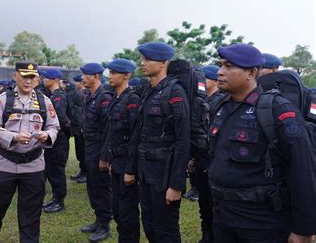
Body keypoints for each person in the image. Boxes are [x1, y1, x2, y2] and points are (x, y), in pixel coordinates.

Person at [209, 43, 316, 242]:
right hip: (223, 214)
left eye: (229, 66)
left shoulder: (277, 109)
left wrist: (304, 229)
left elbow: (303, 170)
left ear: (251, 72)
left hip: (261, 221)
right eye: (220, 65)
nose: (220, 72)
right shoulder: (220, 107)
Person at [0, 61, 59, 243]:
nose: (28, 81)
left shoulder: (44, 101)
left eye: (32, 77)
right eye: (24, 76)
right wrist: (14, 137)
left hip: (33, 166)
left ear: (37, 79)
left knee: (31, 213)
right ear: (15, 76)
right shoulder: (3, 100)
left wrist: (46, 135)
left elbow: (54, 126)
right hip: (4, 164)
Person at [127, 42, 190, 242]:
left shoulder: (175, 93)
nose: (142, 63)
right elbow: (139, 133)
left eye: (147, 59)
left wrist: (176, 185)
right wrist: (132, 168)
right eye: (142, 58)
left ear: (163, 63)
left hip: (164, 173)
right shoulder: (149, 90)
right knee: (150, 224)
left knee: (166, 229)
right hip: (146, 172)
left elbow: (183, 140)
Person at [103, 59, 141, 243]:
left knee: (127, 212)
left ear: (126, 75)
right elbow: (112, 134)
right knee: (117, 209)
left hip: (127, 164)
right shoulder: (116, 98)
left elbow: (135, 136)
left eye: (113, 72)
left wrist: (130, 169)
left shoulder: (132, 99)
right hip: (116, 162)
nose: (109, 76)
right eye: (109, 72)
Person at [188, 64, 224, 243]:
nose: (201, 82)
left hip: (216, 162)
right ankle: (206, 235)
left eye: (205, 79)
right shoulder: (199, 101)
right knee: (204, 202)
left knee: (216, 204)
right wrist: (193, 156)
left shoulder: (223, 101)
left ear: (215, 81)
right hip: (201, 160)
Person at [80, 63, 113, 242]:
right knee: (92, 186)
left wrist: (104, 157)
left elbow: (109, 129)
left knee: (101, 187)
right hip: (90, 146)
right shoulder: (89, 95)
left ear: (96, 76)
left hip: (100, 147)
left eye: (86, 75)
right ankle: (99, 219)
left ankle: (105, 225)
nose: (83, 78)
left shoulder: (104, 96)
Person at [42, 68, 71, 213]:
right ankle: (55, 198)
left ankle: (59, 201)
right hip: (54, 139)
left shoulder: (59, 96)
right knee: (51, 170)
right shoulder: (53, 95)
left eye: (46, 77)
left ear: (54, 80)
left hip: (58, 140)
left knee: (57, 171)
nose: (44, 79)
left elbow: (59, 119)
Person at [70, 74, 87, 183]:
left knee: (84, 151)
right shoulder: (78, 93)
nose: (75, 84)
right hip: (78, 126)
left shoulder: (86, 94)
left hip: (84, 127)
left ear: (80, 82)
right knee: (79, 151)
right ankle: (82, 171)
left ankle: (86, 173)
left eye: (76, 82)